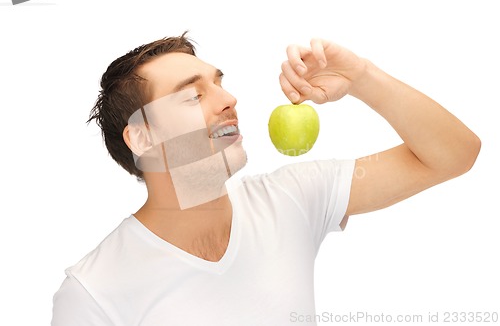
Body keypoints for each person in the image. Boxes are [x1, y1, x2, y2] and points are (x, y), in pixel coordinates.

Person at [51, 33, 480, 325]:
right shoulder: (93, 292)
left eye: (219, 84)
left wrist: (362, 79)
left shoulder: (292, 198)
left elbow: (452, 154)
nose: (229, 100)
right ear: (143, 136)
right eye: (194, 95)